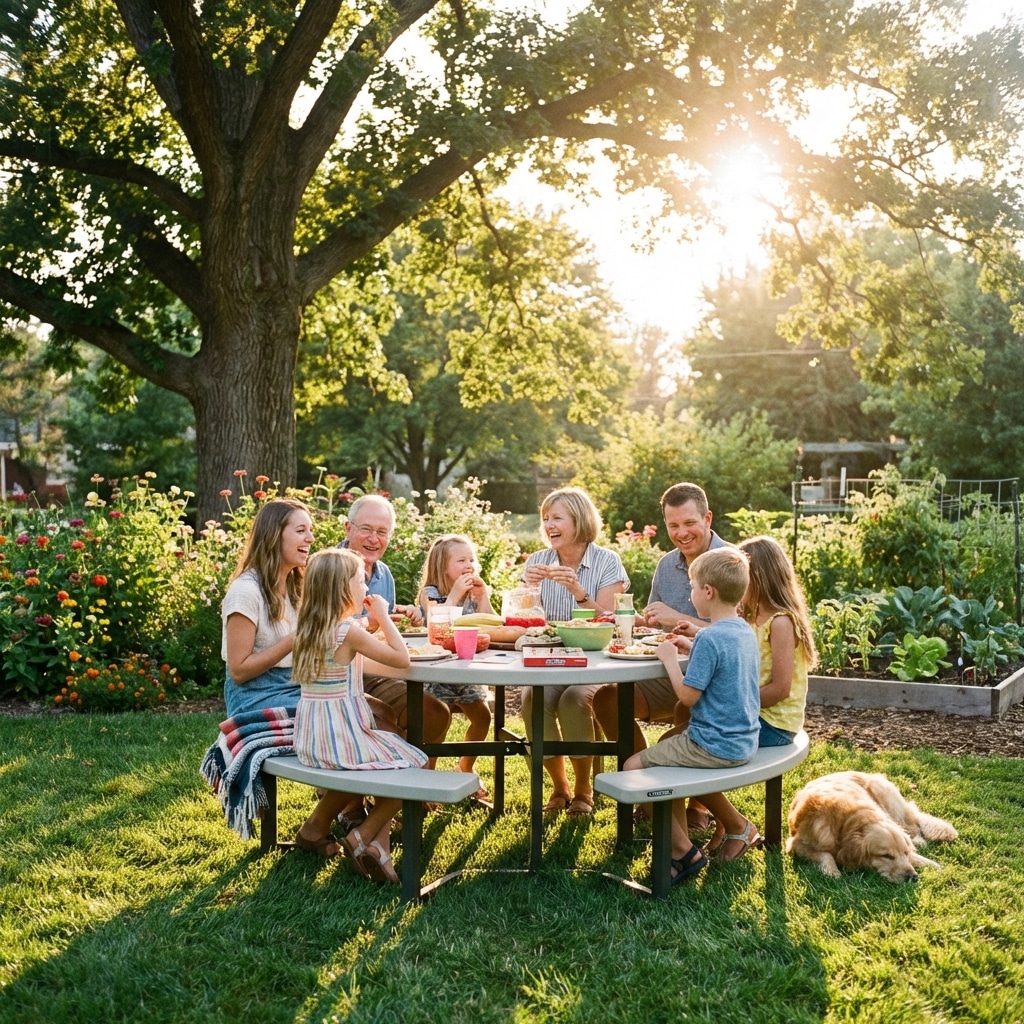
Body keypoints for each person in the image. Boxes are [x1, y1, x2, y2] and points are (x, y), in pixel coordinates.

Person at [592, 481, 728, 831]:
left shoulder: (730, 564)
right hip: (665, 671)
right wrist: (633, 620)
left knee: (689, 707)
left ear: (708, 517)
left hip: (712, 681)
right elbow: (657, 625)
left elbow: (736, 634)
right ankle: (645, 792)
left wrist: (675, 618)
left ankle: (696, 805)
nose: (681, 533)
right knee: (607, 699)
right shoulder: (667, 565)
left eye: (689, 523)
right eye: (673, 526)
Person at [622, 547, 761, 885]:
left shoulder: (711, 639)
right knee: (666, 748)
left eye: (692, 587)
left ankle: (682, 851)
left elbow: (687, 696)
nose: (690, 593)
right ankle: (679, 847)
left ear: (708, 592)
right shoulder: (741, 630)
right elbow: (717, 650)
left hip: (710, 744)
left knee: (632, 768)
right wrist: (692, 641)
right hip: (743, 740)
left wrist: (669, 657)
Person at [291, 547, 427, 882]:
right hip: (341, 736)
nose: (367, 589)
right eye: (361, 582)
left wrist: (371, 624)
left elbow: (351, 653)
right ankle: (363, 836)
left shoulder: (310, 628)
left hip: (313, 738)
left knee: (393, 749)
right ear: (342, 590)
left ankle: (369, 839)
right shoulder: (348, 632)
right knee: (416, 763)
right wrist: (381, 615)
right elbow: (402, 659)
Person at [694, 535, 819, 862]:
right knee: (683, 731)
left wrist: (731, 706)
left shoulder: (780, 623)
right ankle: (723, 824)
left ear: (760, 576)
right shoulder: (748, 617)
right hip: (752, 716)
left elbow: (780, 689)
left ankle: (736, 826)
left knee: (688, 747)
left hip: (775, 724)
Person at [520, 486, 629, 816]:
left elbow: (610, 623)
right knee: (530, 700)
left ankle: (584, 790)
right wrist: (528, 589)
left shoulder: (607, 561)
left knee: (574, 700)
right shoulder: (538, 561)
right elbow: (525, 620)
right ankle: (559, 786)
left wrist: (578, 592)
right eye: (545, 519)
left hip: (596, 663)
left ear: (579, 521)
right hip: (550, 659)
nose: (549, 525)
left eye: (557, 518)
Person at [341, 494, 452, 748]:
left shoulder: (383, 573)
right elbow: (322, 632)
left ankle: (420, 784)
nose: (373, 539)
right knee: (385, 726)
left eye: (382, 531)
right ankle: (381, 781)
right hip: (339, 678)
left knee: (435, 713)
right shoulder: (329, 569)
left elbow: (381, 630)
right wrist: (371, 624)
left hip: (376, 672)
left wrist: (400, 619)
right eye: (366, 529)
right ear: (348, 528)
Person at [417, 534, 495, 798]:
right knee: (438, 724)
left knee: (483, 717)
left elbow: (491, 623)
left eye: (471, 559)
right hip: (438, 674)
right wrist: (455, 594)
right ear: (442, 566)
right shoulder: (431, 593)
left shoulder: (472, 594)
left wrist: (482, 596)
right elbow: (436, 623)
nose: (469, 564)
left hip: (467, 671)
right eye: (461, 560)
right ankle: (428, 781)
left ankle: (465, 767)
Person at [221, 497, 313, 717]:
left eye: (309, 530)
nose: (310, 538)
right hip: (255, 694)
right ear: (273, 536)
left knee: (373, 709)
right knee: (342, 715)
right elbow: (239, 671)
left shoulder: (296, 587)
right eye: (301, 530)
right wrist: (294, 639)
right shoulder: (246, 591)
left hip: (296, 684)